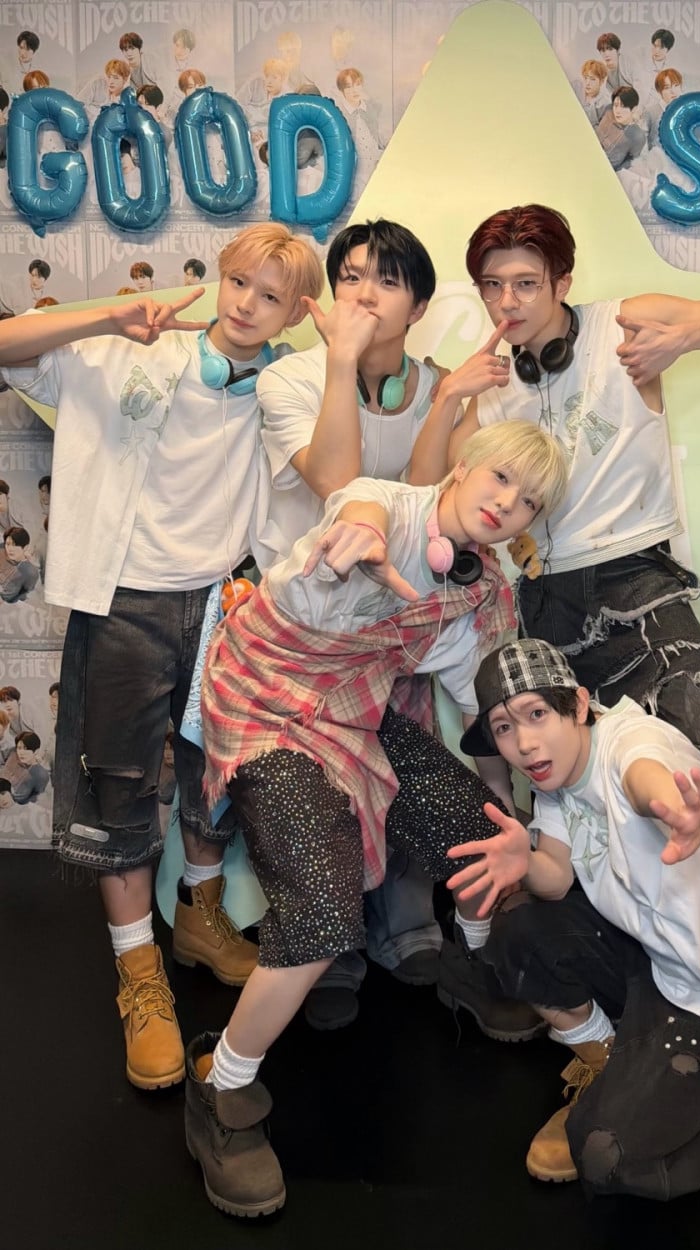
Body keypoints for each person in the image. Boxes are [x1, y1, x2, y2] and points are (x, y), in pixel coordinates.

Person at [183, 419, 569, 1217]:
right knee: (323, 914)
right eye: (500, 477)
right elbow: (358, 511)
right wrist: (357, 535)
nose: (508, 503)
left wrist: (508, 808)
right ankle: (221, 1087)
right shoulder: (382, 509)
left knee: (478, 829)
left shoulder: (482, 590)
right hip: (266, 702)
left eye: (530, 500)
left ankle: (472, 969)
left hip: (353, 708)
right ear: (462, 466)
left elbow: (484, 706)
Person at [0, 222, 324, 1093]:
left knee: (216, 773)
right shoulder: (129, 351)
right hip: (126, 603)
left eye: (273, 297)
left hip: (228, 602)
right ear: (220, 277)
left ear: (298, 311)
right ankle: (138, 973)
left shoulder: (292, 387)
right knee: (121, 785)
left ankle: (200, 921)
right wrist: (106, 317)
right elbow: (7, 345)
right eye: (240, 283)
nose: (248, 306)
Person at [410, 202, 700, 817]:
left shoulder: (623, 325)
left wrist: (680, 339)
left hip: (635, 572)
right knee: (573, 782)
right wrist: (449, 397)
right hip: (544, 594)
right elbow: (425, 492)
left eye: (525, 283)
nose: (506, 302)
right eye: (491, 285)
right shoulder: (493, 386)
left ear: (562, 282)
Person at [256, 218, 511, 1031]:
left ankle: (406, 926)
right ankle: (330, 949)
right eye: (353, 276)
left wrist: (448, 401)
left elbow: (433, 501)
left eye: (389, 279)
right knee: (318, 788)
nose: (366, 292)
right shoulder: (290, 378)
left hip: (397, 617)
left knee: (406, 764)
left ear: (420, 305)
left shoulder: (441, 381)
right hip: (308, 628)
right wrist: (339, 361)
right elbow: (338, 483)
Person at [444, 637, 700, 1197]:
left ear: (579, 704)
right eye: (504, 728)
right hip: (658, 961)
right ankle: (619, 1070)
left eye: (537, 714)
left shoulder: (627, 739)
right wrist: (524, 863)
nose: (524, 744)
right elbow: (555, 875)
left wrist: (675, 810)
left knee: (602, 1153)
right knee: (518, 934)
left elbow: (643, 778)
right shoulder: (555, 783)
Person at [0, 524, 39, 601]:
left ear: (25, 547)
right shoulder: (2, 549)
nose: (10, 549)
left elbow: (25, 592)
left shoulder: (30, 572)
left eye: (15, 545)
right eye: (8, 544)